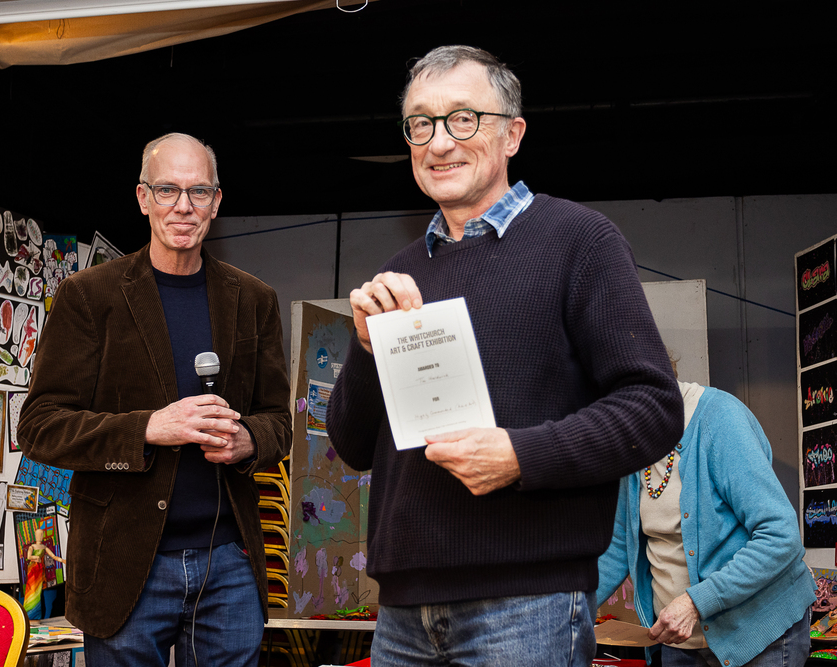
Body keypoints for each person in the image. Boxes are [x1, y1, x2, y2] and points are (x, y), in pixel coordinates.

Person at [326, 45, 684, 666]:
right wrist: (365, 350)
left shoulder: (579, 241)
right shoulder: (398, 273)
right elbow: (353, 446)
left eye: (463, 118)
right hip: (401, 616)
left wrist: (521, 456)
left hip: (528, 607)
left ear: (513, 134)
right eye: (420, 123)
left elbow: (653, 407)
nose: (439, 142)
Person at [19, 132, 291, 667]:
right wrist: (148, 428)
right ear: (143, 198)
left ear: (216, 201)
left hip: (228, 563)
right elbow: (40, 426)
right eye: (168, 190)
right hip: (124, 564)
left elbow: (279, 420)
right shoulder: (89, 296)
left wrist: (247, 440)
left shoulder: (254, 299)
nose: (183, 206)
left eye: (198, 191)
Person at [597, 364, 815, 667]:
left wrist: (695, 603)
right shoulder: (636, 443)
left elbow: (781, 536)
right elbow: (619, 545)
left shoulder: (719, 420)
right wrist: (569, 609)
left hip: (757, 633)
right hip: (680, 641)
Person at [25, 525, 66, 618]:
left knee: (39, 592)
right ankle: (30, 614)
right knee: (31, 591)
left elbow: (53, 556)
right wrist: (36, 557)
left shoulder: (44, 547)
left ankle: (37, 615)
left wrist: (62, 560)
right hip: (33, 570)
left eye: (41, 535)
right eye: (38, 535)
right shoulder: (32, 547)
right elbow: (28, 557)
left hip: (40, 570)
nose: (39, 537)